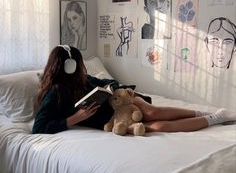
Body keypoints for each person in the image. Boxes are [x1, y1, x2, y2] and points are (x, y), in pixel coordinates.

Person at [32, 46, 236, 134]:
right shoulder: (55, 93)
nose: (79, 68)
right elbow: (38, 127)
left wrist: (113, 87)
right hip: (115, 120)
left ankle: (207, 113)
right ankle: (214, 119)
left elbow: (109, 83)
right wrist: (77, 117)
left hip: (124, 102)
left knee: (151, 112)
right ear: (65, 66)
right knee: (157, 127)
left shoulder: (83, 79)